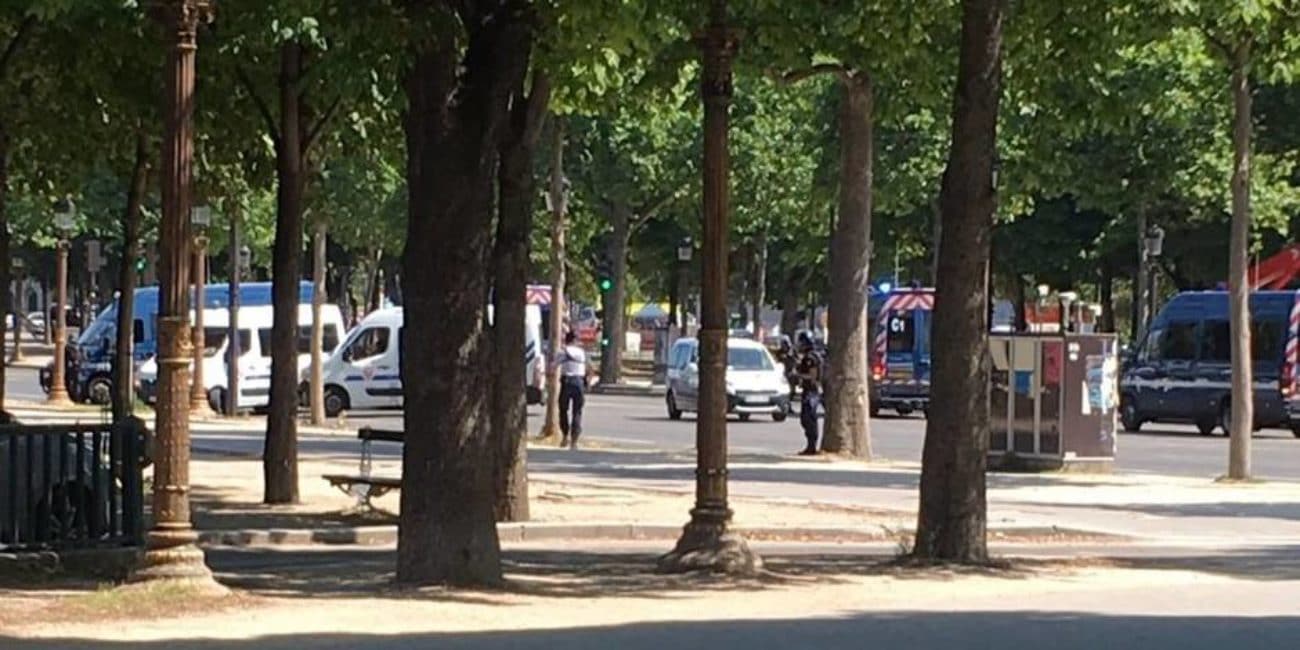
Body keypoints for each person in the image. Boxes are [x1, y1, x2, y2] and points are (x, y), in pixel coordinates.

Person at [555, 330, 588, 450]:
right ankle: (574, 440)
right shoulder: (582, 352)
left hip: (567, 382)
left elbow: (553, 366)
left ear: (566, 340)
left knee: (563, 409)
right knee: (577, 411)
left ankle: (565, 435)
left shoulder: (562, 352)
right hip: (579, 382)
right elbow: (587, 367)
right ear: (576, 341)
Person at [795, 332, 824, 455]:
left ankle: (812, 446)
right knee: (806, 418)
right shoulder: (813, 356)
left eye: (801, 343)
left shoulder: (810, 358)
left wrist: (798, 375)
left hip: (811, 392)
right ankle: (810, 445)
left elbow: (812, 376)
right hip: (811, 391)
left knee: (808, 418)